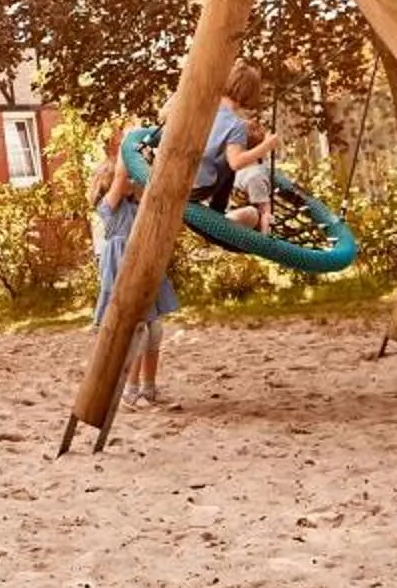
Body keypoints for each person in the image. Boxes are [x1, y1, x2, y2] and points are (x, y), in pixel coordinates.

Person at [90, 128, 177, 407]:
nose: (130, 179)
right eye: (126, 177)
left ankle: (149, 388)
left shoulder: (136, 204)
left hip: (144, 266)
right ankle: (131, 390)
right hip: (123, 271)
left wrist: (150, 153)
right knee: (137, 333)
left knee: (155, 331)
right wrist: (129, 144)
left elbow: (152, 186)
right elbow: (119, 177)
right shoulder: (109, 207)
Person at [194, 59, 283, 229]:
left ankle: (221, 208)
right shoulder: (236, 125)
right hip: (197, 190)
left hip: (179, 176)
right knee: (228, 162)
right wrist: (265, 146)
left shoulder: (204, 108)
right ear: (249, 93)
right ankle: (217, 210)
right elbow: (235, 162)